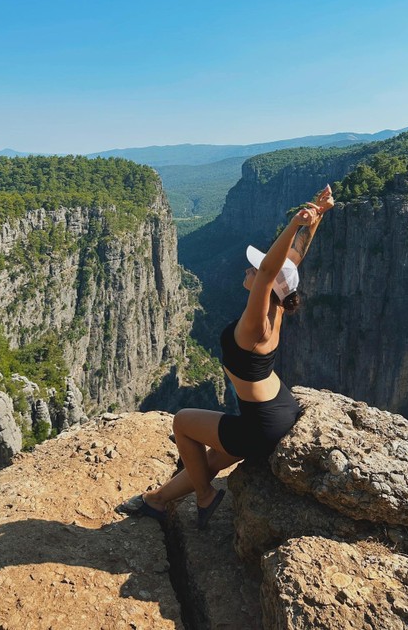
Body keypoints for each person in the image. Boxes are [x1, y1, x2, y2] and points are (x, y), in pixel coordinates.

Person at [117, 185, 334, 529]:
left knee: (183, 422)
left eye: (255, 269)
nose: (248, 270)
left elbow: (268, 272)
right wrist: (317, 217)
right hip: (280, 406)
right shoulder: (279, 306)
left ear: (267, 284)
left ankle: (205, 496)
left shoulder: (255, 325)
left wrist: (293, 224)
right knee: (215, 458)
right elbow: (291, 261)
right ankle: (155, 501)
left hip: (260, 425)